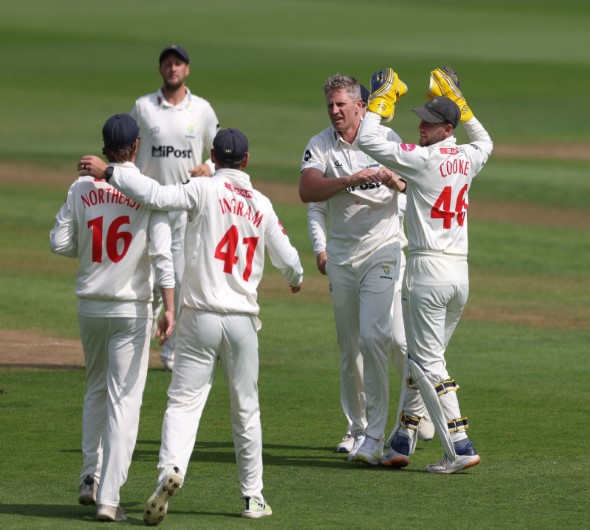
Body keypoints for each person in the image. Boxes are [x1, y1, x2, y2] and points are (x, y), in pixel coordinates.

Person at [78, 127, 303, 522]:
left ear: (213, 159)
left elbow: (156, 196)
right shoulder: (262, 204)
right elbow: (290, 259)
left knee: (183, 402)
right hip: (242, 320)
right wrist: (296, 279)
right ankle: (252, 498)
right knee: (245, 410)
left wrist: (109, 173)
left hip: (198, 317)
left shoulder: (202, 189)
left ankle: (171, 468)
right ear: (246, 161)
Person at [357, 67, 493, 473]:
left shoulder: (424, 160)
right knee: (422, 357)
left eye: (430, 124)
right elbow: (485, 140)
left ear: (445, 129)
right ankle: (402, 438)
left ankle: (460, 444)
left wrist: (381, 100)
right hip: (459, 276)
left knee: (428, 363)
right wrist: (462, 101)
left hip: (426, 272)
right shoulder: (468, 157)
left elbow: (366, 138)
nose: (420, 127)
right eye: (421, 120)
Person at [51, 113, 175, 521]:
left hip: (90, 304)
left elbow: (59, 241)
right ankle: (108, 499)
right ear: (136, 147)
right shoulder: (147, 192)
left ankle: (90, 475)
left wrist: (91, 252)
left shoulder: (81, 186)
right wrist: (168, 304)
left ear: (104, 146)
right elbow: (161, 254)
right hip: (131, 309)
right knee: (125, 402)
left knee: (96, 390)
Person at [306, 84, 434, 454]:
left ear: (360, 106)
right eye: (329, 104)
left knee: (388, 339)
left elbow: (414, 189)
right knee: (351, 349)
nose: (334, 110)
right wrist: (320, 247)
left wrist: (395, 182)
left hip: (384, 251)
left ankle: (410, 411)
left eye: (341, 104)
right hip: (342, 260)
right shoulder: (320, 144)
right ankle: (357, 429)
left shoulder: (386, 139)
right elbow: (310, 197)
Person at [131, 44, 221, 371]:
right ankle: (138, 345)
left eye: (178, 64)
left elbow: (219, 149)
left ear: (187, 70)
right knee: (149, 279)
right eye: (167, 64)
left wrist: (209, 169)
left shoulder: (202, 109)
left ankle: (171, 351)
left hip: (184, 207)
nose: (173, 68)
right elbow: (128, 147)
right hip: (148, 205)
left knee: (181, 281)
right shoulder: (143, 107)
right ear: (161, 70)